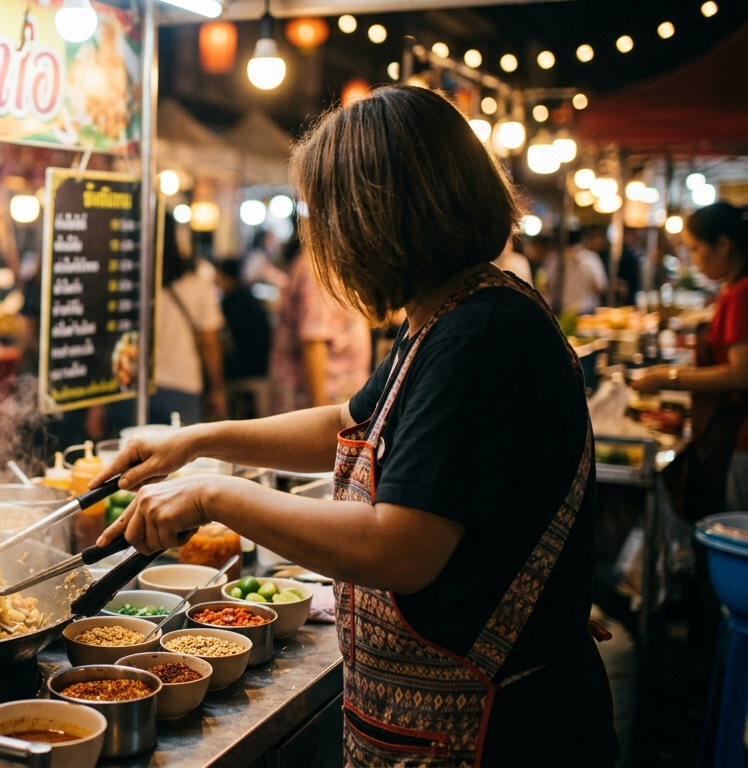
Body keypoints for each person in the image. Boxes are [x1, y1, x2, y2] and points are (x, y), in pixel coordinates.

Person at [92, 86, 617, 767]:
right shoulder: (449, 312)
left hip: (501, 731)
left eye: (325, 215)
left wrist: (212, 495)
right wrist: (195, 441)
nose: (319, 238)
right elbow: (348, 422)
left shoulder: (478, 336)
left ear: (377, 217)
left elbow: (397, 547)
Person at [634, 202, 748, 513]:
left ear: (723, 245)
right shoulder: (732, 289)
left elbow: (741, 374)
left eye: (696, 249)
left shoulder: (742, 293)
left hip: (738, 437)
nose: (693, 259)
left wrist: (667, 377)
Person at [271, 240, 372, 413]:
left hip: (335, 403)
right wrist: (320, 410)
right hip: (324, 406)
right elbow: (313, 341)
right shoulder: (319, 269)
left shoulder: (331, 264)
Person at [151, 215, 225, 424]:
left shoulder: (130, 282)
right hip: (182, 386)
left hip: (131, 389)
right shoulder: (196, 283)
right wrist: (217, 390)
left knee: (133, 454)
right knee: (184, 455)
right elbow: (210, 344)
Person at [216, 258, 272, 418]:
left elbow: (226, 341)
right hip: (261, 366)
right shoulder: (250, 298)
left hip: (240, 370)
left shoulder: (228, 303)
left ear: (226, 277)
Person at [548, 226, 608, 315]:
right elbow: (600, 288)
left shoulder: (554, 259)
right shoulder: (591, 258)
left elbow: (548, 284)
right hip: (585, 313)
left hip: (560, 312)